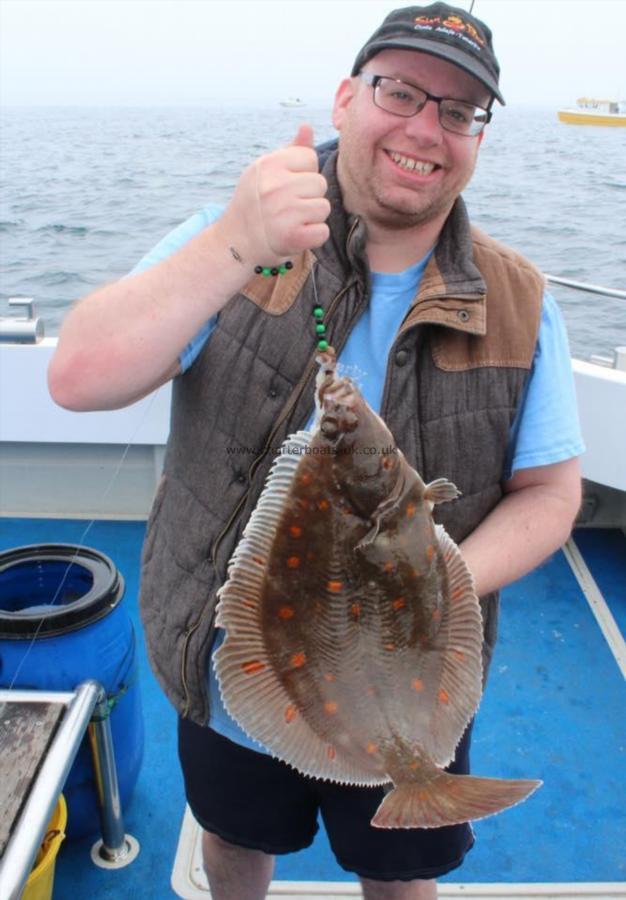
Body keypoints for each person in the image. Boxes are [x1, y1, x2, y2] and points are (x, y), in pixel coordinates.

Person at [48, 3, 584, 898]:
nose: (426, 128)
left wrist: (432, 576)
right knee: (232, 839)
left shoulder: (521, 300)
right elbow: (77, 376)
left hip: (413, 674)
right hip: (238, 669)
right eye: (401, 92)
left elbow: (551, 496)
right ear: (345, 99)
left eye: (459, 112)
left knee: (403, 873)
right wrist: (233, 243)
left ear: (478, 139)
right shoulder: (236, 243)